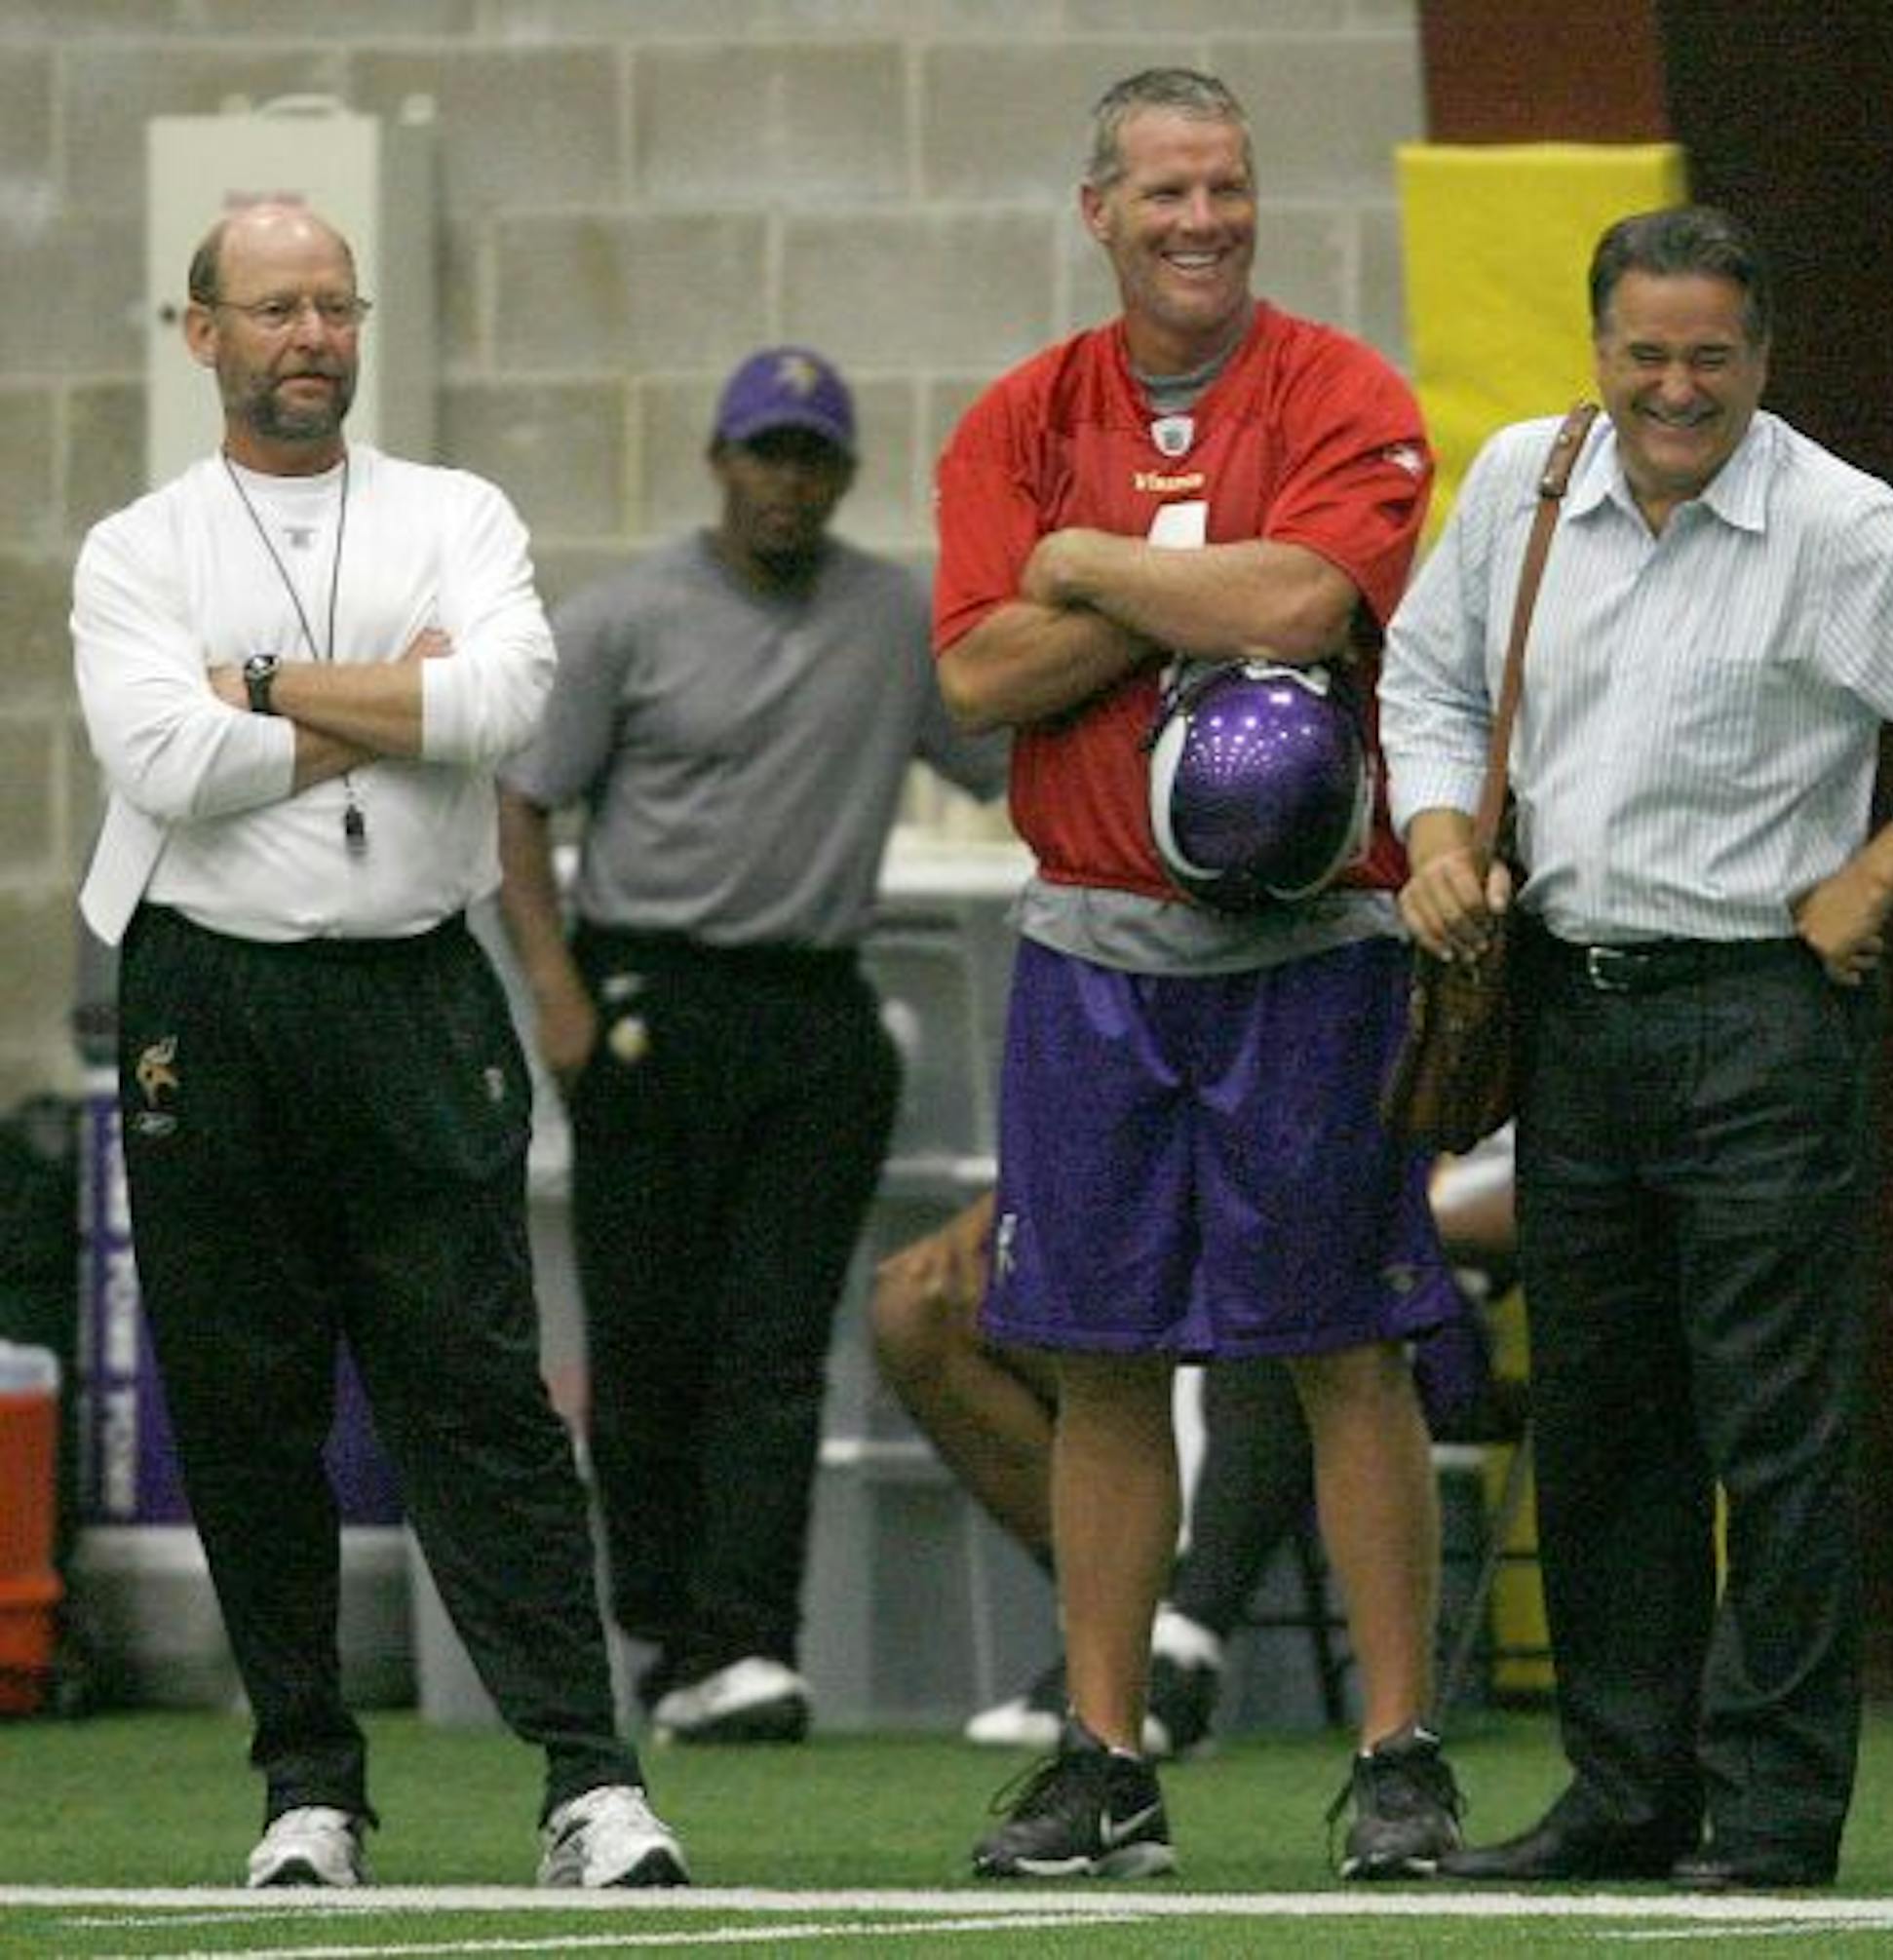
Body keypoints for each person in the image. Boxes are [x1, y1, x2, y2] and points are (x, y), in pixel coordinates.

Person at [1382, 203, 1893, 1891]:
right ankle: (1626, 1796)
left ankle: (1770, 1815)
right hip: (1572, 1007)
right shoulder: (1526, 488)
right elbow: (1425, 679)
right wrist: (1432, 839)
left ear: (1762, 362)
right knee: (1609, 1426)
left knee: (1772, 1428)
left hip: (1763, 1020)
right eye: (1647, 357)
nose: (1676, 389)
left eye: (1711, 358)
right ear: (1599, 352)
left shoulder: (1838, 528)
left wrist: (1877, 874)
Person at [69, 202, 687, 1891]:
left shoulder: (452, 512)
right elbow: (166, 765)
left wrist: (261, 683)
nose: (309, 338)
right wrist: (372, 712)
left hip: (414, 988)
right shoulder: (138, 547)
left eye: (333, 306)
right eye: (273, 310)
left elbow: (504, 713)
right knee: (249, 1400)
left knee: (478, 1388)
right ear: (200, 333)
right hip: (212, 995)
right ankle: (306, 1792)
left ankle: (588, 1776)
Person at [932, 67, 1459, 1882]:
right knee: (1095, 1358)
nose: (1201, 220)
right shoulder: (1019, 417)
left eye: (1227, 187)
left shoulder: (1341, 392)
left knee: (1344, 1351)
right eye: (1164, 192)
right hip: (1092, 955)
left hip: (1310, 958)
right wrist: (1173, 585)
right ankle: (1105, 1757)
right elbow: (981, 677)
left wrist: (1079, 564)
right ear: (1101, 212)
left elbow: (1307, 609)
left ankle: (1400, 1755)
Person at [496, 347, 1006, 1749]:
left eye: (811, 457)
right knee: (652, 1341)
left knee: (778, 1347)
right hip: (651, 1000)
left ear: (841, 476)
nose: (786, 480)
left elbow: (1001, 762)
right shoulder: (628, 619)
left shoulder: (893, 616)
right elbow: (522, 804)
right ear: (719, 461)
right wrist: (555, 991)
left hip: (813, 1010)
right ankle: (666, 1634)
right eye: (763, 452)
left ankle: (749, 1646)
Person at [870, 1156, 1505, 1758]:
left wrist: (1327, 1207)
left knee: (1272, 1265)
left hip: (1393, 1295)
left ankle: (1188, 1640)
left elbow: (1530, 1189)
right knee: (919, 1304)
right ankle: (1126, 1637)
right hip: (1198, 1236)